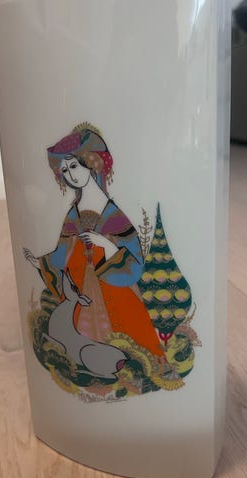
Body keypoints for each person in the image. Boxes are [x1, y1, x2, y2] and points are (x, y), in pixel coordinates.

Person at [24, 123, 164, 358]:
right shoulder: (73, 212)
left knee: (128, 340)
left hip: (113, 286)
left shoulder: (112, 213)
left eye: (74, 166)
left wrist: (106, 245)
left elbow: (134, 257)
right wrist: (41, 263)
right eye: (65, 170)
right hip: (79, 285)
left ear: (91, 163)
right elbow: (61, 252)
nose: (71, 175)